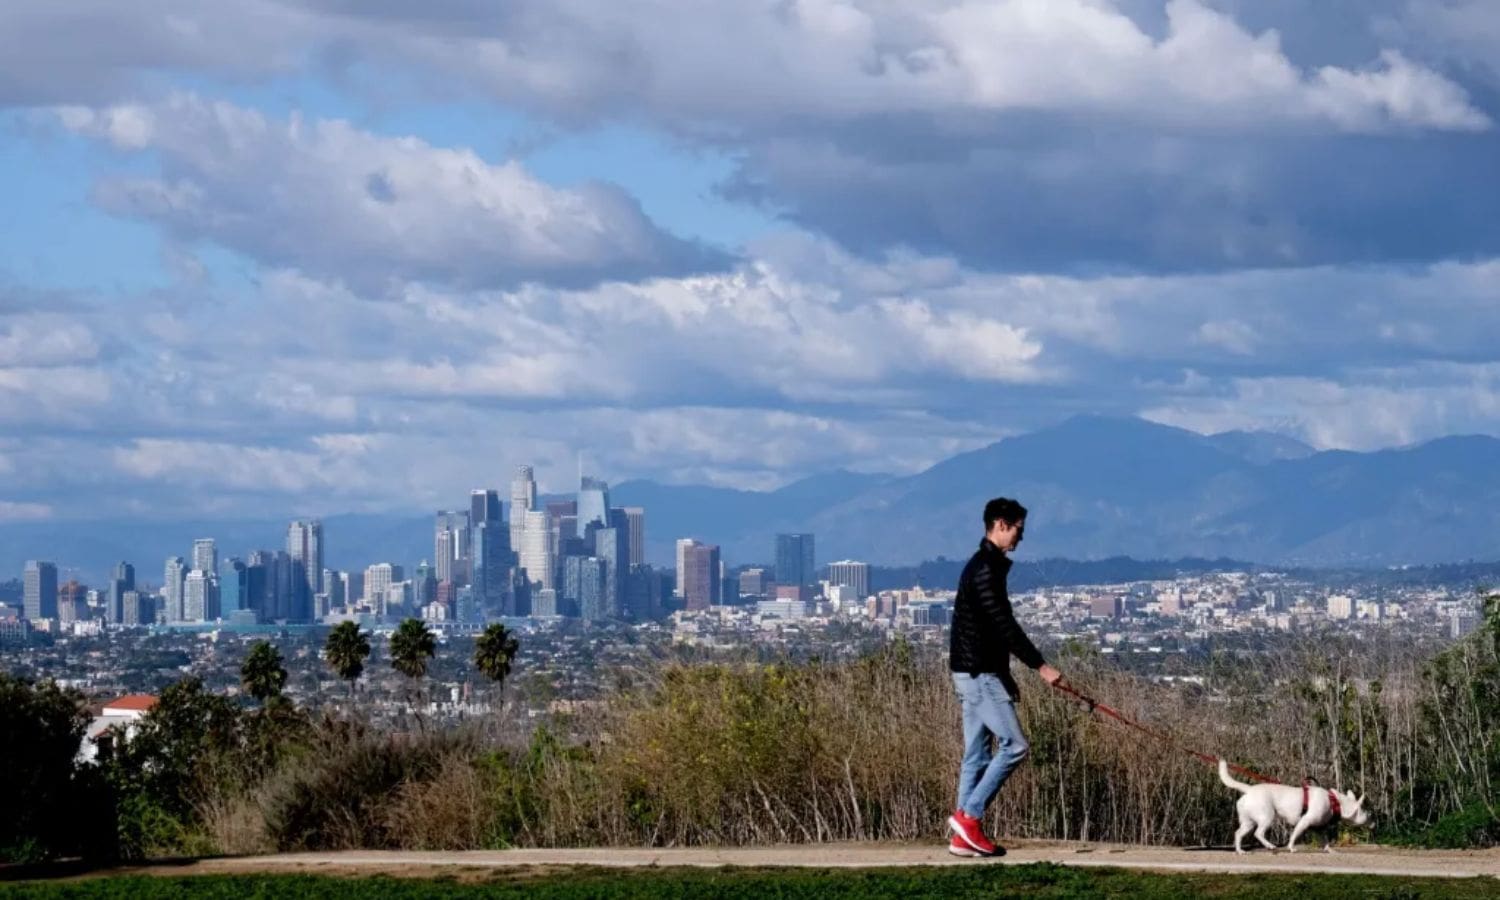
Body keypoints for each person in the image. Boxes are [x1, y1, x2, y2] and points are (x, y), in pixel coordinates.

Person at [947, 496, 1062, 858]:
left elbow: (993, 630)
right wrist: (1040, 666)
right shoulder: (985, 571)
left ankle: (961, 838)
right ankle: (969, 818)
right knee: (1015, 746)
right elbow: (1004, 627)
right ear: (1000, 524)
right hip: (979, 674)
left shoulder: (983, 567)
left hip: (973, 672)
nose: (1019, 539)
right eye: (1017, 530)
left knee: (976, 754)